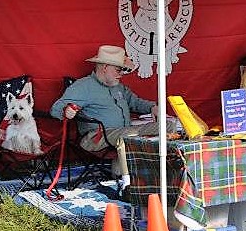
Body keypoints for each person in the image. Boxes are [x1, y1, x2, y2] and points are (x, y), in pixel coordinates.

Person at [50, 44, 172, 193]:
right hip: (97, 137)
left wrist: (152, 107)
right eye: (118, 69)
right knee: (129, 136)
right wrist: (66, 110)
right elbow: (55, 108)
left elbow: (135, 102)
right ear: (105, 67)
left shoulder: (118, 87)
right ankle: (126, 182)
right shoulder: (84, 86)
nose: (121, 73)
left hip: (123, 131)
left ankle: (162, 176)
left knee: (168, 126)